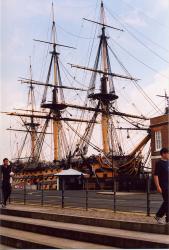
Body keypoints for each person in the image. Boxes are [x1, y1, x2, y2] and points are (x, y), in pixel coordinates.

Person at [154, 148, 169, 224]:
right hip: (163, 185)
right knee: (167, 201)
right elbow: (156, 175)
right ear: (163, 154)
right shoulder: (159, 163)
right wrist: (158, 186)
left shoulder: (168, 162)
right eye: (168, 153)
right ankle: (158, 216)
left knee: (167, 202)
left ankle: (166, 218)